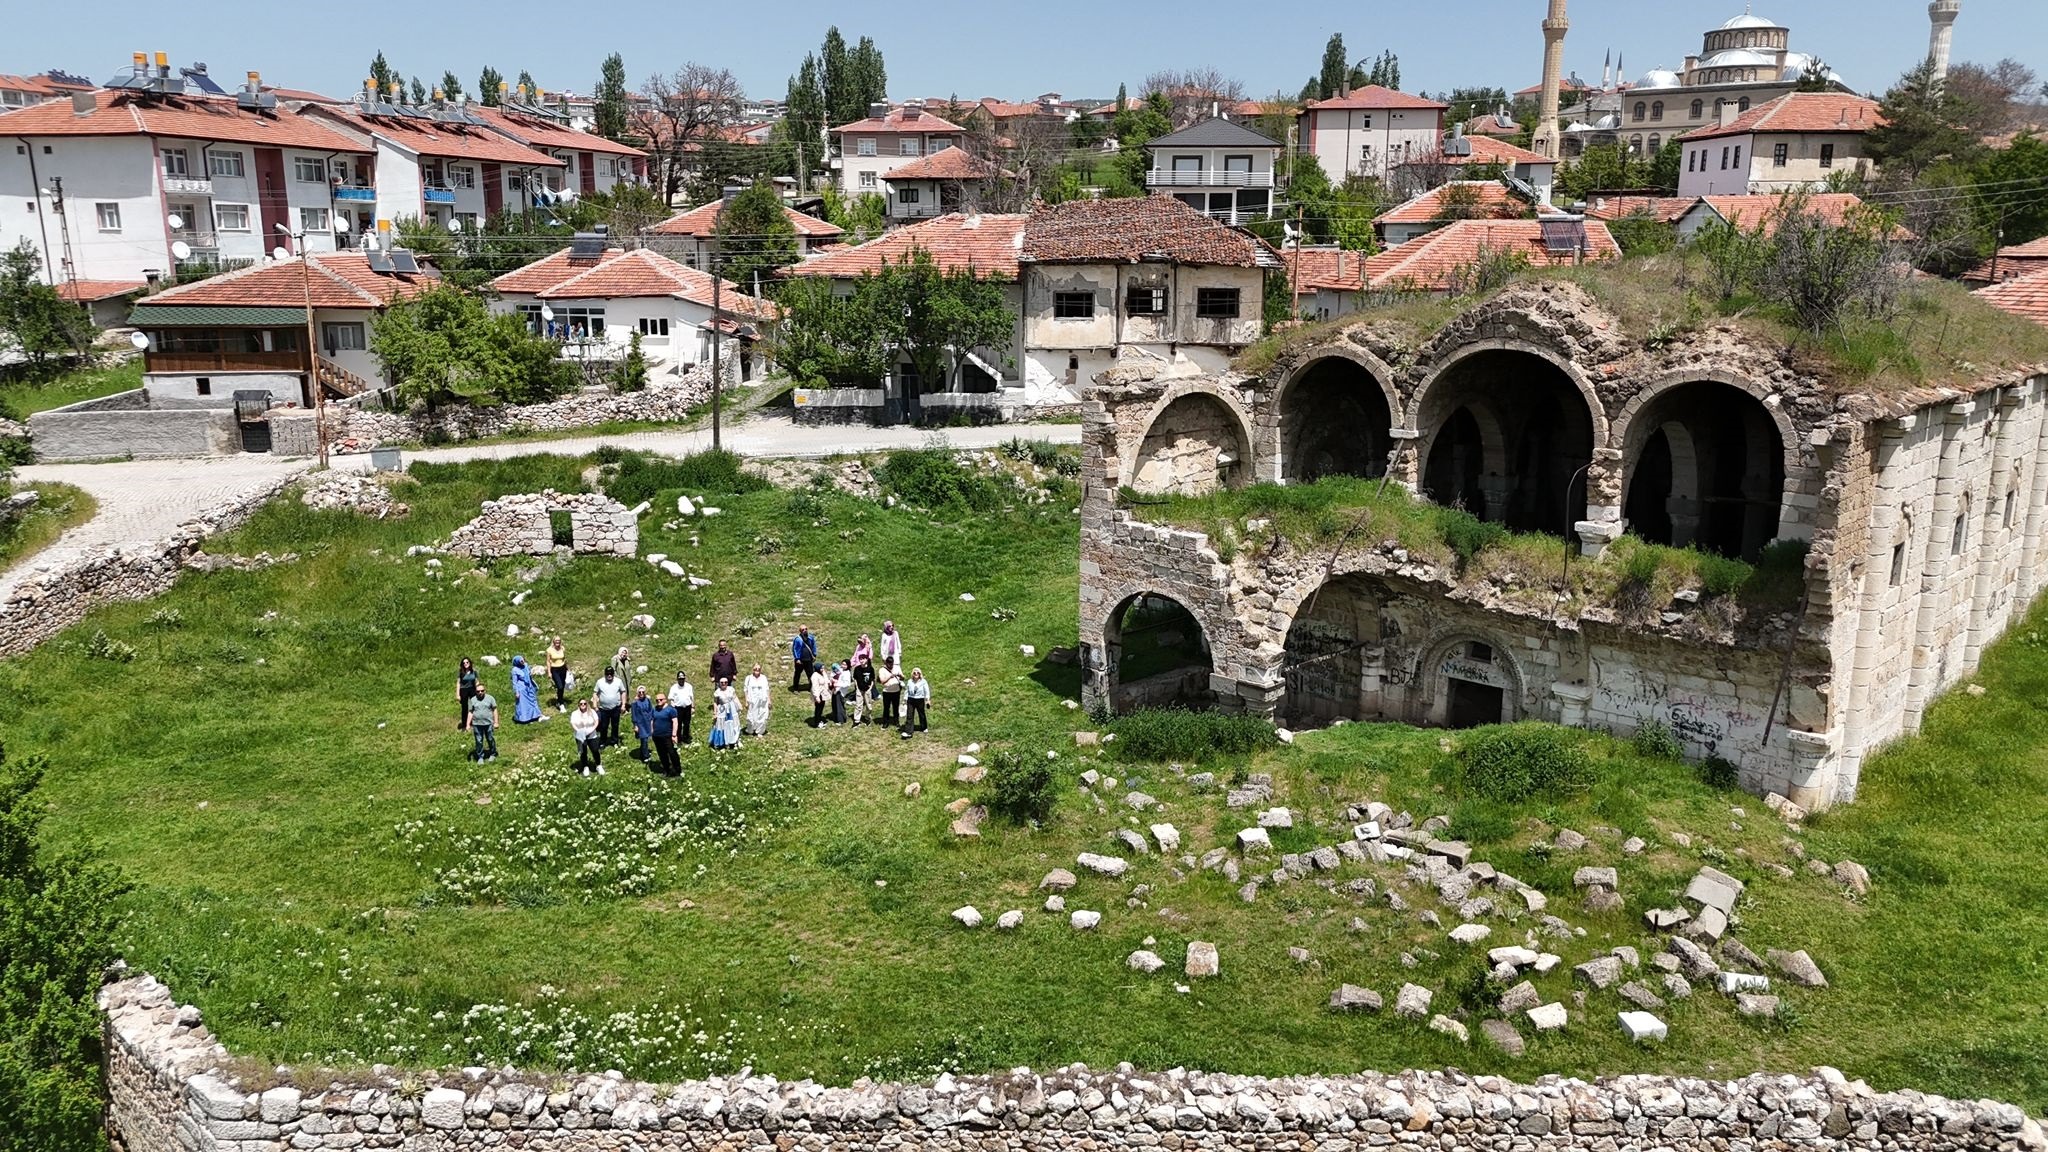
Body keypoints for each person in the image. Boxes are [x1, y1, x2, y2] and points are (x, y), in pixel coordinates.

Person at [592, 667, 626, 747]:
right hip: (603, 709)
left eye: (611, 674)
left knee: (615, 725)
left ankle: (614, 741)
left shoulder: (618, 681)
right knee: (603, 726)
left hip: (616, 708)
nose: (609, 676)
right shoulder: (600, 682)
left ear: (613, 674)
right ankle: (603, 742)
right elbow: (595, 693)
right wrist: (595, 705)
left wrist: (623, 705)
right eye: (607, 674)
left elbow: (623, 692)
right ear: (605, 674)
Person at [650, 692, 681, 776]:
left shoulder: (671, 710)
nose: (658, 701)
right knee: (662, 754)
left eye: (660, 699)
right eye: (657, 700)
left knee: (672, 753)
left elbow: (675, 722)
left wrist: (674, 735)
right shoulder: (654, 709)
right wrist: (652, 731)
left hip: (668, 736)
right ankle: (666, 769)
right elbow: (652, 721)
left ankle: (677, 770)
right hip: (657, 736)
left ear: (665, 700)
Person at [467, 681, 499, 761]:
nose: (480, 692)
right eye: (478, 691)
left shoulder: (490, 698)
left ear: (485, 691)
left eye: (482, 691)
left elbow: (494, 710)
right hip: (477, 724)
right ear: (476, 692)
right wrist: (468, 724)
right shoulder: (473, 700)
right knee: (479, 741)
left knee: (490, 739)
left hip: (488, 723)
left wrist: (496, 722)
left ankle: (493, 753)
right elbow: (470, 712)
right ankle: (480, 756)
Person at [570, 698, 603, 775]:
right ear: (578, 705)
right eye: (581, 704)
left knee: (595, 750)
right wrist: (579, 731)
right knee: (583, 752)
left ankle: (598, 765)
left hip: (592, 735)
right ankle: (585, 766)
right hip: (580, 735)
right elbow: (573, 723)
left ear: (587, 704)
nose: (583, 705)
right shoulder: (574, 713)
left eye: (584, 703)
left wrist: (591, 730)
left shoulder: (592, 712)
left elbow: (596, 721)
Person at [709, 678, 742, 751]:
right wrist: (715, 712)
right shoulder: (717, 692)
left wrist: (739, 705)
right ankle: (724, 741)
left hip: (731, 708)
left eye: (725, 682)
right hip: (722, 709)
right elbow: (715, 702)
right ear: (719, 683)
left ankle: (736, 740)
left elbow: (735, 697)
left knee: (734, 724)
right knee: (722, 725)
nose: (724, 684)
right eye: (722, 682)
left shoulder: (731, 689)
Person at [509, 655, 542, 723]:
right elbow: (514, 682)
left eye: (523, 660)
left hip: (529, 687)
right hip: (521, 689)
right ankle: (524, 718)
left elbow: (529, 676)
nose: (523, 662)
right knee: (524, 704)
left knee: (532, 701)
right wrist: (516, 692)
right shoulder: (514, 670)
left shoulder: (525, 666)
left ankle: (535, 715)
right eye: (521, 661)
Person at [900, 667, 930, 738]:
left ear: (920, 674)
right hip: (911, 700)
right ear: (912, 674)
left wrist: (927, 699)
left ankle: (924, 727)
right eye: (914, 673)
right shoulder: (910, 681)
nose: (916, 674)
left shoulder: (923, 681)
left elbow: (927, 691)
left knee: (921, 714)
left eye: (917, 673)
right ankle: (908, 732)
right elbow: (907, 691)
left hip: (920, 699)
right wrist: (904, 699)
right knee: (909, 715)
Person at [744, 664, 771, 737]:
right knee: (751, 715)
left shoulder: (763, 678)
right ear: (752, 669)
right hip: (752, 700)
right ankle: (750, 730)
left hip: (762, 700)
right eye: (755, 668)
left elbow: (767, 689)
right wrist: (746, 701)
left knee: (762, 714)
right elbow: (746, 690)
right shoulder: (748, 678)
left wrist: (769, 700)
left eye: (758, 668)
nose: (757, 670)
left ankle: (760, 731)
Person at [789, 626, 818, 692]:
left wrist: (814, 655)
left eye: (806, 629)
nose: (805, 630)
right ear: (800, 631)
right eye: (803, 630)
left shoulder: (811, 637)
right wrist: (797, 658)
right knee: (797, 674)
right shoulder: (797, 639)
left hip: (809, 659)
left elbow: (814, 646)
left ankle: (811, 687)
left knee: (811, 674)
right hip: (800, 660)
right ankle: (795, 688)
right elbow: (795, 649)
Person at [629, 686, 655, 760]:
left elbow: (651, 710)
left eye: (643, 692)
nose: (641, 693)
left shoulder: (648, 700)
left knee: (646, 739)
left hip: (647, 722)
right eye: (639, 692)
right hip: (640, 724)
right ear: (637, 693)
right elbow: (633, 715)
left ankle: (642, 752)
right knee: (644, 739)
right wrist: (635, 725)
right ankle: (645, 757)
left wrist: (652, 721)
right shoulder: (635, 703)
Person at [877, 658, 904, 727]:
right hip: (887, 691)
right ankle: (885, 722)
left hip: (896, 691)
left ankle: (896, 721)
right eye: (889, 663)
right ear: (886, 663)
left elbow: (903, 677)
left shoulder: (897, 667)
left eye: (892, 663)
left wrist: (900, 676)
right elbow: (882, 681)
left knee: (896, 707)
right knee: (886, 707)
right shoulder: (882, 670)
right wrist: (890, 676)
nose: (891, 665)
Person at [545, 637, 569, 710]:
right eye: (556, 640)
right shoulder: (549, 650)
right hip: (554, 669)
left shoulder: (562, 648)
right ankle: (561, 704)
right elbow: (548, 661)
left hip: (563, 668)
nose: (557, 642)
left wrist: (568, 667)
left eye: (559, 640)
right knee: (560, 686)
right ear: (553, 641)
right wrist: (549, 672)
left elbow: (564, 658)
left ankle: (559, 700)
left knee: (562, 686)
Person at [850, 655, 874, 726]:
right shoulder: (857, 669)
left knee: (868, 706)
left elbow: (872, 679)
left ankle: (867, 718)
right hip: (859, 690)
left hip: (867, 690)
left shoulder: (870, 669)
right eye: (860, 659)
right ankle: (857, 720)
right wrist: (857, 687)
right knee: (858, 705)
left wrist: (870, 688)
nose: (861, 660)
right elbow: (855, 679)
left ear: (866, 660)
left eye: (863, 659)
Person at [672, 671, 695, 745]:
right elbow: (671, 699)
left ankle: (686, 737)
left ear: (685, 678)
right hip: (678, 708)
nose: (681, 680)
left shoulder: (689, 686)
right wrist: (673, 708)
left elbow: (692, 697)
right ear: (677, 679)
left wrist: (693, 707)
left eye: (682, 679)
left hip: (687, 708)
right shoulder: (674, 687)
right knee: (678, 724)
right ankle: (678, 739)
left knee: (687, 723)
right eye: (680, 679)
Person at [457, 657, 479, 729]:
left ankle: (474, 722)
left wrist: (478, 689)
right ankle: (464, 724)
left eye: (467, 662)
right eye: (464, 663)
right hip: (463, 690)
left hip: (472, 689)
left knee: (474, 705)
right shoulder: (461, 672)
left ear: (470, 663)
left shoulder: (474, 671)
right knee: (464, 707)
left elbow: (476, 681)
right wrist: (458, 694)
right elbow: (458, 683)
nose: (465, 664)